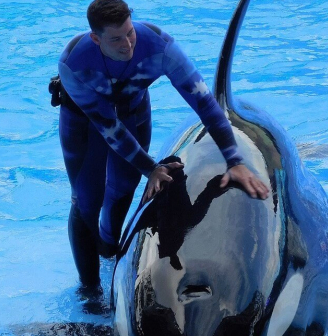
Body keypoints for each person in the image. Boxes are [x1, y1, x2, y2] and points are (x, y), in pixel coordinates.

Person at [55, 0, 269, 291]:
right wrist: (151, 167)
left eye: (129, 33)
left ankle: (108, 249)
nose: (127, 44)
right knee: (86, 200)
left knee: (124, 186)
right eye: (116, 39)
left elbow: (204, 102)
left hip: (132, 108)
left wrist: (234, 160)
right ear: (96, 38)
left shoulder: (158, 45)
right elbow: (108, 128)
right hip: (83, 122)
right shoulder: (74, 63)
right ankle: (89, 291)